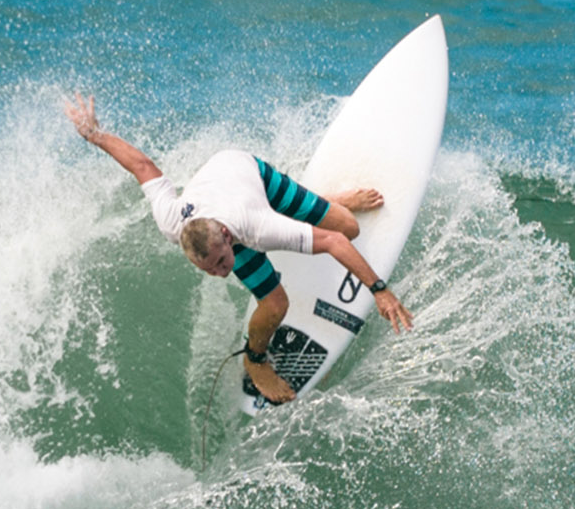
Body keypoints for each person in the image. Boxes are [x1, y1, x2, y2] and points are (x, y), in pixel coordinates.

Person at [66, 95, 412, 404]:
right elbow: (143, 167)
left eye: (221, 263)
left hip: (247, 173)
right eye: (210, 269)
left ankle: (325, 202)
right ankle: (255, 359)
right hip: (227, 196)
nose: (221, 273)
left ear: (226, 235)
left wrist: (380, 291)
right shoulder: (172, 221)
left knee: (348, 226)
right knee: (275, 303)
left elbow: (336, 242)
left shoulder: (256, 227)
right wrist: (96, 136)